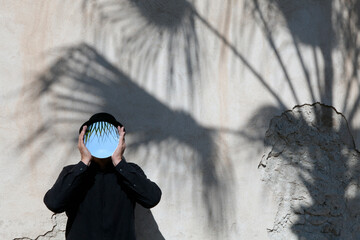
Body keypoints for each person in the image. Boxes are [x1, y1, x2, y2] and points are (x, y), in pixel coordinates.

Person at [43, 113, 162, 240]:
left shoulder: (129, 171)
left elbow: (152, 198)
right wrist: (83, 162)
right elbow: (53, 203)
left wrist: (119, 162)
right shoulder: (73, 172)